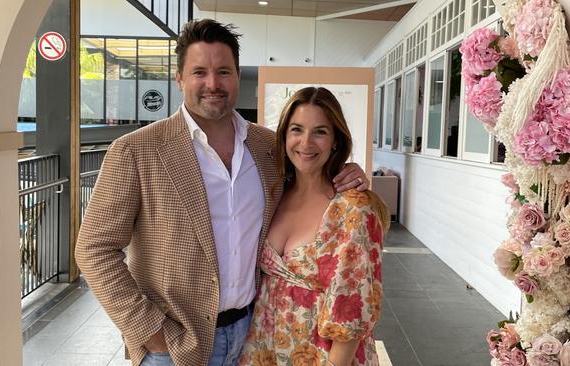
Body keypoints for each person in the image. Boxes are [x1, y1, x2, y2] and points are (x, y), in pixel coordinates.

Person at [75, 19, 369, 366]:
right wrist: (148, 330)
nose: (212, 83)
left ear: (237, 75)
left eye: (223, 72)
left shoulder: (267, 147)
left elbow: (310, 176)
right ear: (180, 78)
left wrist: (347, 172)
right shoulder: (137, 151)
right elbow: (93, 249)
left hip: (255, 334)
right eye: (199, 72)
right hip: (175, 344)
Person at [239, 87, 390, 366]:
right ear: (284, 135)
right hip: (263, 348)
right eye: (297, 129)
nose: (306, 142)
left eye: (320, 131)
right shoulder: (273, 193)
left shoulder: (353, 207)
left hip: (322, 356)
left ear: (335, 140)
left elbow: (354, 306)